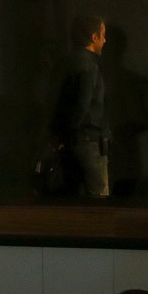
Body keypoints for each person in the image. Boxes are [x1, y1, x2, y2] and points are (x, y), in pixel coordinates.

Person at [49, 15, 110, 198]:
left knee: (72, 198)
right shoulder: (90, 66)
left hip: (68, 142)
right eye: (103, 35)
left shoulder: (64, 63)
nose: (105, 40)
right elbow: (82, 105)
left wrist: (59, 136)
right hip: (89, 140)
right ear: (94, 37)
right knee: (98, 198)